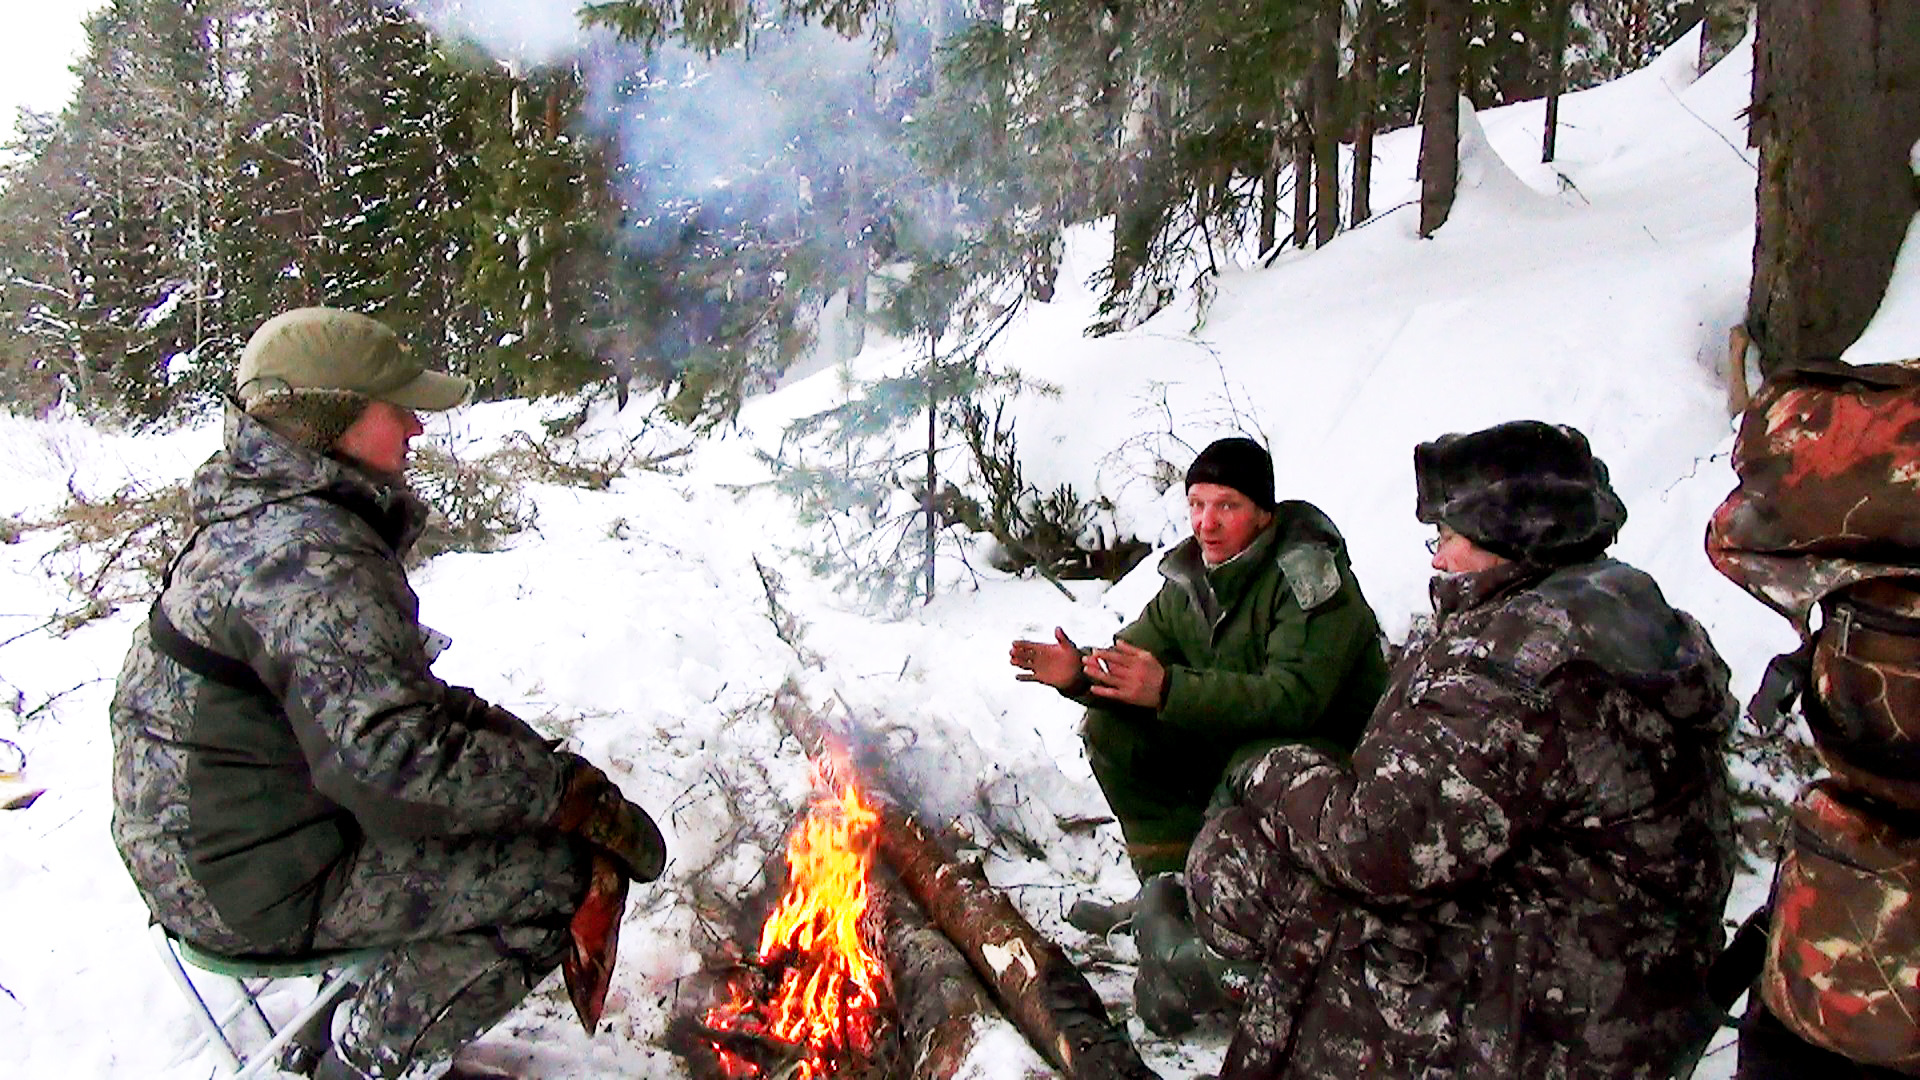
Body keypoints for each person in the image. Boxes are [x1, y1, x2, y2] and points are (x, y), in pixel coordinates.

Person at [109, 308, 666, 1080]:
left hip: (219, 846)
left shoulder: (268, 513)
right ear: (329, 417)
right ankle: (359, 1062)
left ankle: (350, 1030)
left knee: (499, 824)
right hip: (245, 881)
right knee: (557, 878)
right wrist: (565, 802)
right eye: (396, 407)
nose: (415, 427)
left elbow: (394, 705)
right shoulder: (312, 556)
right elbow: (395, 766)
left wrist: (551, 772)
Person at [1186, 420, 1737, 1079]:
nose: (1437, 559)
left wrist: (1267, 771)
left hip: (1570, 1020)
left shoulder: (1519, 663)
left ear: (1505, 542)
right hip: (1633, 972)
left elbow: (1374, 848)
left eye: (1446, 538)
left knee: (1237, 858)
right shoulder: (1614, 599)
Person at [1009, 437, 1389, 1031]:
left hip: (1321, 769)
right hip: (1237, 743)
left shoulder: (1308, 577)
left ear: (1263, 513)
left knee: (1251, 756)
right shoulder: (1192, 578)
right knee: (1112, 729)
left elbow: (1295, 699)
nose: (1206, 524)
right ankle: (1167, 890)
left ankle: (1219, 923)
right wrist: (1080, 674)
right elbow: (1137, 660)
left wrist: (1169, 691)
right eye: (1196, 505)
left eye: (1227, 506)